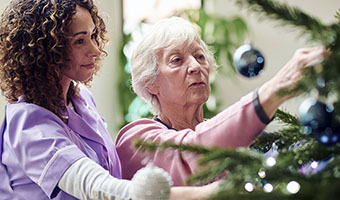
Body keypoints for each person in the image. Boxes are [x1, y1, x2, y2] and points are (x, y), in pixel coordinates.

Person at [0, 1, 219, 199]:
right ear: (48, 50)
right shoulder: (29, 125)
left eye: (93, 36)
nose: (95, 50)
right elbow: (98, 188)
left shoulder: (81, 101)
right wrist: (207, 194)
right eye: (80, 41)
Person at [115, 16, 328, 186]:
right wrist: (275, 89)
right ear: (150, 83)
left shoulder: (237, 137)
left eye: (199, 57)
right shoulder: (135, 140)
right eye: (177, 60)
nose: (196, 67)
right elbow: (195, 154)